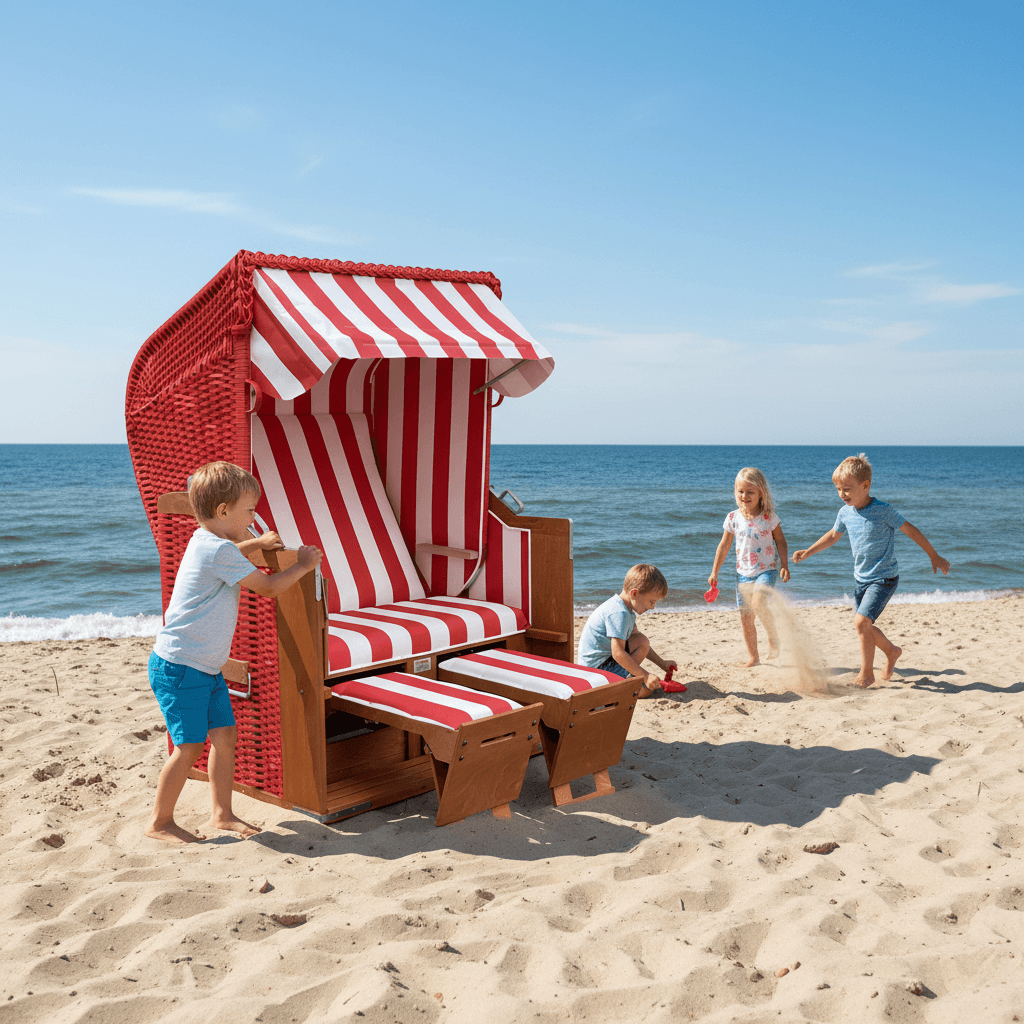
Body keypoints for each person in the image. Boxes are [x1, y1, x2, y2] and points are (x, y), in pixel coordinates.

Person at [146, 461, 323, 844]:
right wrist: (305, 566)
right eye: (249, 510)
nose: (254, 516)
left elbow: (228, 552)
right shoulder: (219, 551)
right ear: (224, 512)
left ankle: (222, 814)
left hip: (202, 666)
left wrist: (255, 544)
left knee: (225, 736)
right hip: (181, 666)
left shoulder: (205, 540)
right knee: (189, 746)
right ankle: (160, 822)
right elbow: (269, 588)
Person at [792, 453, 950, 688]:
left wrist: (933, 555)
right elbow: (833, 536)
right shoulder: (845, 513)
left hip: (884, 578)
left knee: (860, 623)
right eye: (838, 489)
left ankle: (867, 674)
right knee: (864, 625)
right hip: (861, 579)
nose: (842, 494)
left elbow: (911, 530)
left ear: (865, 486)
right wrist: (808, 551)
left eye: (847, 488)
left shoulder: (883, 510)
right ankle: (892, 652)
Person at [708, 467, 790, 667]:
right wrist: (714, 571)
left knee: (758, 602)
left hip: (767, 570)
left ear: (761, 493)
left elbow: (780, 541)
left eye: (750, 492)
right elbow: (724, 545)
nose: (744, 496)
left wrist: (785, 565)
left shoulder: (769, 516)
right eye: (740, 491)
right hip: (743, 574)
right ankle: (754, 657)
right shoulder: (732, 518)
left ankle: (773, 638)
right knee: (746, 619)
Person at [577, 563, 677, 697]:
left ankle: (626, 678)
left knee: (642, 641)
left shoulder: (626, 610)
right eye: (651, 601)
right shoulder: (619, 613)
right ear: (634, 593)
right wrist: (646, 676)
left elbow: (639, 641)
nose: (652, 607)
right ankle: (618, 685)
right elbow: (618, 652)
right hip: (596, 671)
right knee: (645, 691)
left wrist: (662, 663)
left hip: (605, 662)